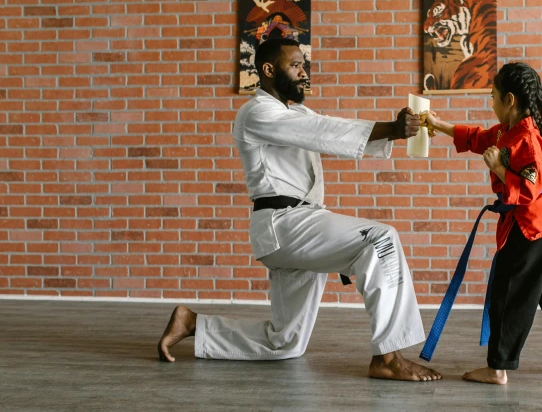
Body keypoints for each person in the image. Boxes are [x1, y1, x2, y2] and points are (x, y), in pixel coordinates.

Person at [157, 37, 442, 382]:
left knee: (285, 342)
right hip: (285, 224)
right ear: (267, 69)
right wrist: (393, 129)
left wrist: (398, 133)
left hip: (296, 228)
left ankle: (194, 324)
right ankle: (388, 357)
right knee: (380, 239)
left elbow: (326, 129)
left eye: (303, 64)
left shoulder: (296, 112)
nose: (303, 72)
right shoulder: (256, 112)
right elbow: (321, 132)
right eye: (295, 65)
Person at [423, 62, 542, 384]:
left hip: (531, 230)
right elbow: (478, 138)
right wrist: (437, 124)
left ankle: (498, 368)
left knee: (509, 294)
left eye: (494, 97)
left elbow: (527, 190)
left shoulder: (525, 138)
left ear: (509, 99)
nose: (492, 103)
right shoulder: (506, 132)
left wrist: (499, 169)